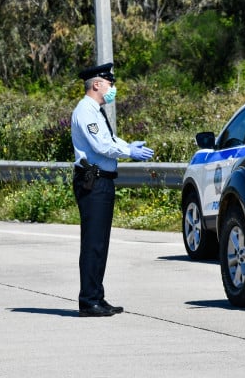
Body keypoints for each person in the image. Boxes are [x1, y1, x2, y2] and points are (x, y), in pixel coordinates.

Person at [71, 62, 154, 317]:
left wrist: (129, 144)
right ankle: (88, 301)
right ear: (97, 84)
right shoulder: (85, 111)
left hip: (102, 180)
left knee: (100, 243)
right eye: (110, 83)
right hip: (93, 181)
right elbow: (101, 146)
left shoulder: (95, 110)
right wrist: (130, 152)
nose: (112, 88)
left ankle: (97, 295)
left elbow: (109, 139)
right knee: (93, 243)